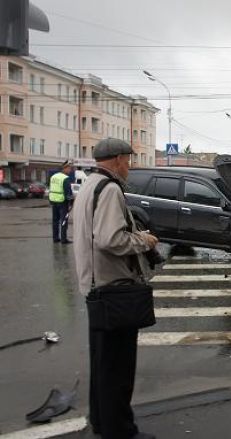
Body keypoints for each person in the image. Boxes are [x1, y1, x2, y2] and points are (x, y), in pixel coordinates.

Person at [72, 138, 159, 439]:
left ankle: (101, 422)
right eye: (128, 161)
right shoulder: (109, 189)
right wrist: (143, 240)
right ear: (118, 159)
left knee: (103, 366)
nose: (130, 167)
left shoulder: (89, 185)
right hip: (114, 290)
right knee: (118, 370)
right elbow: (111, 239)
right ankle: (121, 432)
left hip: (95, 287)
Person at [49, 160, 74, 244]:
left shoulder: (53, 177)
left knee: (55, 220)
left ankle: (55, 238)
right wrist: (71, 203)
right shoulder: (65, 178)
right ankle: (64, 239)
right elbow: (68, 192)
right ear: (65, 168)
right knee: (64, 221)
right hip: (62, 202)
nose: (70, 171)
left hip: (53, 200)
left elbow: (51, 188)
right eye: (69, 169)